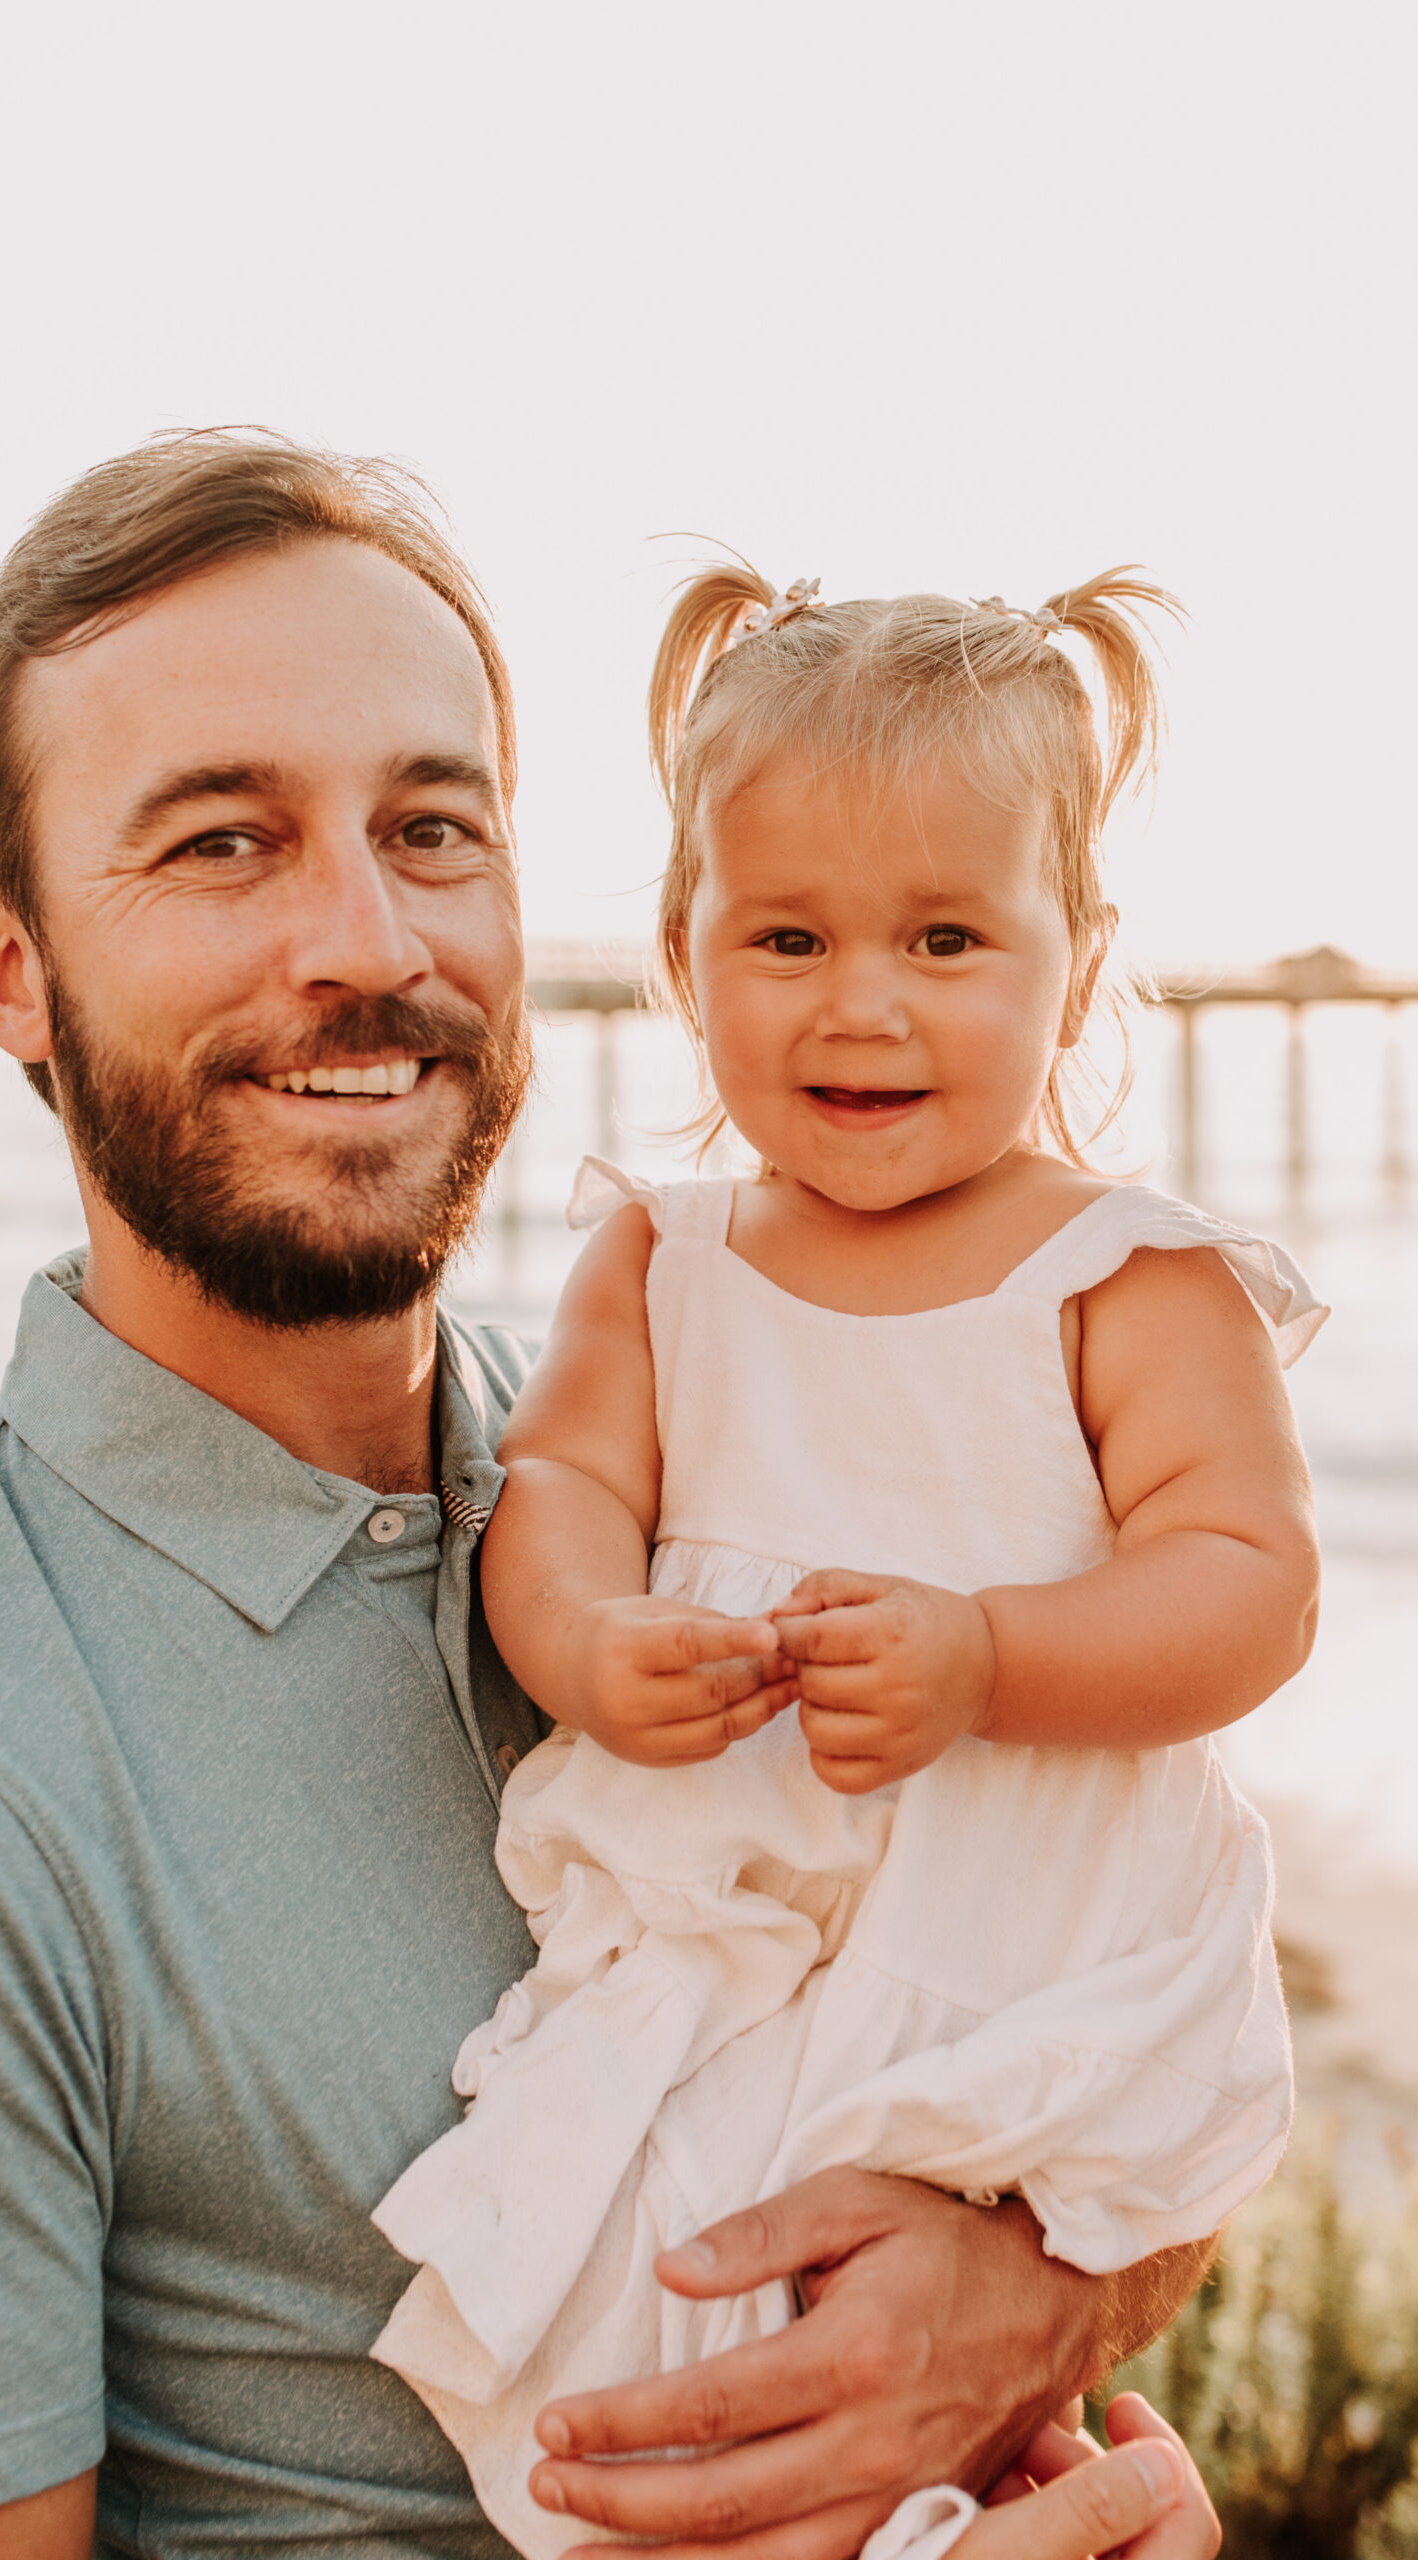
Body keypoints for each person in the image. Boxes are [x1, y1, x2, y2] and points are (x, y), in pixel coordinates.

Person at [0, 437, 1217, 2560]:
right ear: (7, 973)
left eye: (435, 827)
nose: (366, 936)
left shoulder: (703, 1462)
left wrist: (1036, 2301)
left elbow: (1098, 1981)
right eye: (222, 841)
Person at [372, 563, 1321, 2554]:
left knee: (917, 2282)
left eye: (947, 934)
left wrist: (990, 1651)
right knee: (679, 2279)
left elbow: (1244, 1579)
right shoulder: (663, 1257)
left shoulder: (1118, 1273)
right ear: (676, 948)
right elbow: (554, 1486)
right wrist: (575, 1637)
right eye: (784, 932)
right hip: (734, 1903)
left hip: (1011, 1918)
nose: (859, 998)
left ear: (1075, 963)